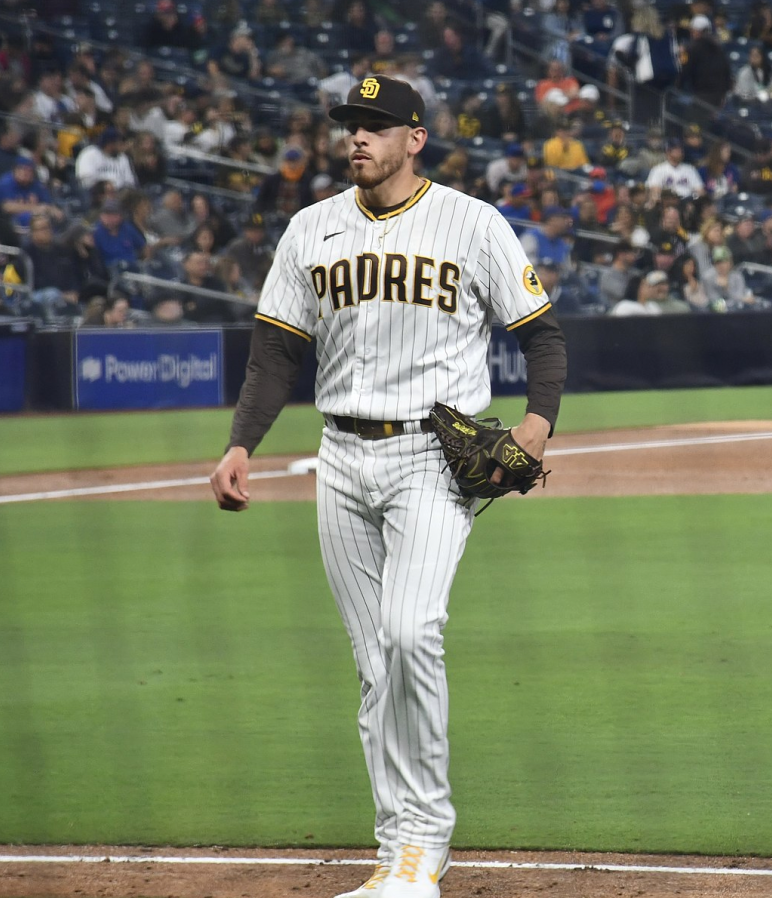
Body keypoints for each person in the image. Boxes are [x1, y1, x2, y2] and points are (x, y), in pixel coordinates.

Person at [209, 74, 567, 898]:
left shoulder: (473, 223)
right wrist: (240, 446)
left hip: (433, 461)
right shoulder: (311, 229)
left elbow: (542, 339)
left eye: (375, 126)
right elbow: (274, 355)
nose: (357, 138)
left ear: (415, 139)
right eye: (350, 125)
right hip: (340, 460)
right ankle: (397, 851)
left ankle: (425, 843)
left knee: (411, 632)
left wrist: (535, 427)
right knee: (376, 663)